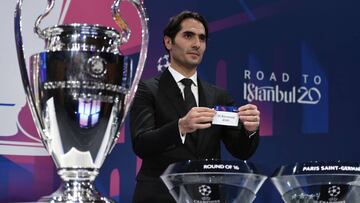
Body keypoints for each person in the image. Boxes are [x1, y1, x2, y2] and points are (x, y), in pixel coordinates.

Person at [130, 10, 260, 203]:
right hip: (159, 196)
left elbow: (241, 151)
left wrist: (250, 131)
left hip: (207, 197)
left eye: (202, 38)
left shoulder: (219, 95)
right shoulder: (147, 89)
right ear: (168, 42)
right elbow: (141, 144)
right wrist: (180, 126)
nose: (196, 44)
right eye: (188, 35)